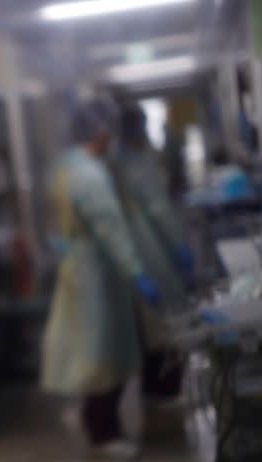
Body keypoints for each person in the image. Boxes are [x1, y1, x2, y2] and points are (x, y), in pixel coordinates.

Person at [41, 98, 159, 461]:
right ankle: (104, 431)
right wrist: (136, 271)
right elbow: (111, 229)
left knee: (89, 348)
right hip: (98, 273)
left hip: (79, 267)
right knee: (105, 353)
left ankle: (95, 419)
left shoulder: (66, 168)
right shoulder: (90, 175)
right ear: (102, 132)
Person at [110, 103, 194, 405]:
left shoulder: (116, 162)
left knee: (148, 325)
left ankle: (155, 386)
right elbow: (160, 211)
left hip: (131, 248)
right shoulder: (139, 164)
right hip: (149, 247)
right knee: (163, 321)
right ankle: (164, 388)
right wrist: (180, 247)